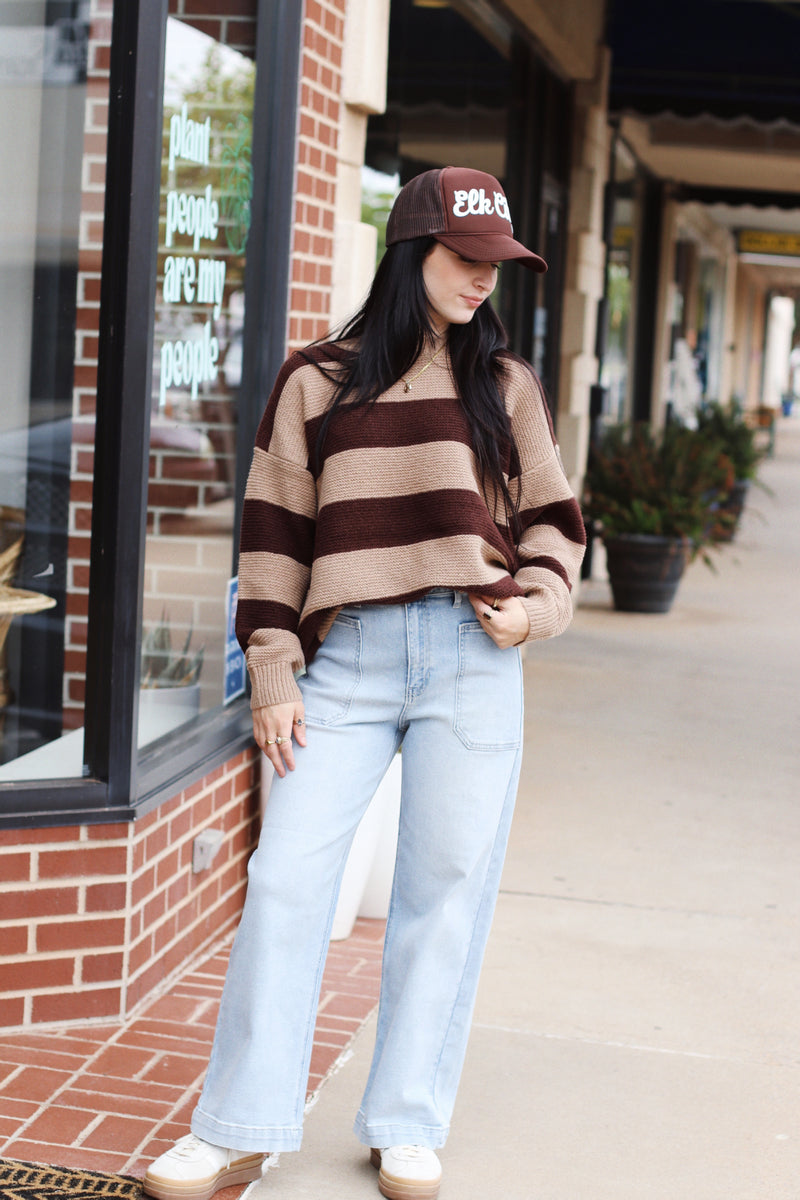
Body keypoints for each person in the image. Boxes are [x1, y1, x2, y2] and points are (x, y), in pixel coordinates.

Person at [144, 166, 586, 1200]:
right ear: (410, 251)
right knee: (285, 882)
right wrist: (271, 671)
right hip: (342, 662)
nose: (483, 279)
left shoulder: (503, 384)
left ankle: (404, 1122)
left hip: (471, 658)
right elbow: (271, 539)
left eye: (496, 264)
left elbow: (553, 524)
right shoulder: (318, 381)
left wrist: (531, 611)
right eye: (464, 257)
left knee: (441, 897)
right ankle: (234, 1126)